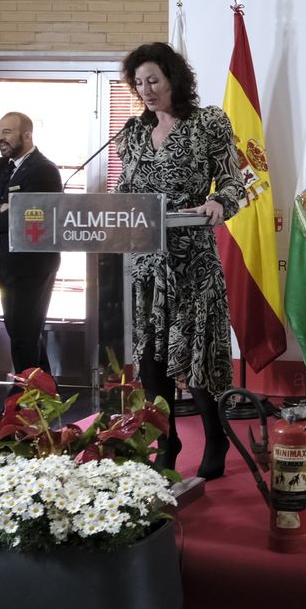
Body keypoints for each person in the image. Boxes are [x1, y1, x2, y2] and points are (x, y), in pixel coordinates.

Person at [116, 42, 241, 479]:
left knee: (198, 359)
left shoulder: (208, 123)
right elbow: (124, 193)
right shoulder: (132, 132)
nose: (146, 90)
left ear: (173, 79)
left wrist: (217, 204)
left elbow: (233, 184)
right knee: (151, 366)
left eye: (153, 80)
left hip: (192, 263)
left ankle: (216, 436)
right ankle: (167, 444)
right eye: (139, 83)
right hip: (148, 265)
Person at [0, 112, 64, 383]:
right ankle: (43, 389)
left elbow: (32, 218)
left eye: (7, 132)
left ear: (27, 135)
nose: (0, 138)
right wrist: (3, 207)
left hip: (33, 264)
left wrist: (9, 210)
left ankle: (29, 396)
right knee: (19, 329)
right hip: (5, 261)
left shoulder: (43, 170)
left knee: (24, 331)